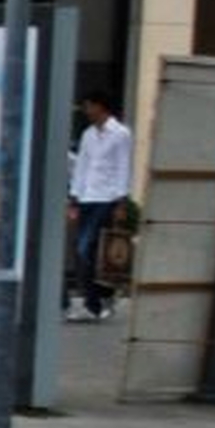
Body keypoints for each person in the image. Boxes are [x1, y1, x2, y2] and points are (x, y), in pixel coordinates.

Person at [65, 89, 132, 323]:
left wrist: (121, 202)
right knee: (87, 251)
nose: (86, 110)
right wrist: (74, 199)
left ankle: (92, 304)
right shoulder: (88, 135)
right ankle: (101, 299)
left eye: (89, 105)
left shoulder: (121, 133)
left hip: (107, 198)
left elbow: (123, 166)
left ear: (100, 107)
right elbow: (82, 167)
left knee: (87, 249)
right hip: (87, 198)